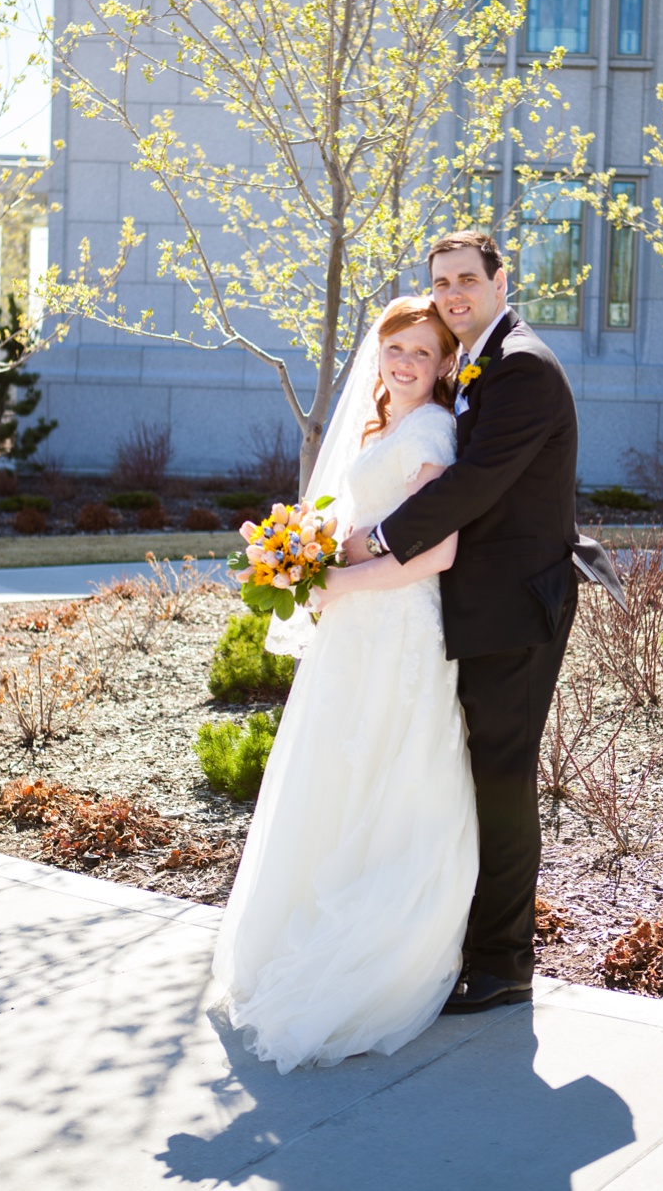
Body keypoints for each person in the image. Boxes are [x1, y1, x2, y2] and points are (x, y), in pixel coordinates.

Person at [205, 294, 477, 1073]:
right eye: (396, 349)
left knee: (388, 777)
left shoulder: (432, 431)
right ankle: (310, 922)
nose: (404, 364)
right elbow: (364, 528)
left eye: (423, 353)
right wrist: (313, 556)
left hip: (399, 630)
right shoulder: (382, 426)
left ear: (444, 364)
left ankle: (375, 954)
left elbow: (438, 553)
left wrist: (338, 584)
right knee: (338, 775)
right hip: (358, 630)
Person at [347, 228, 580, 1016]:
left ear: (499, 279)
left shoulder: (523, 369)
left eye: (466, 279)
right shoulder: (478, 363)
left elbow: (478, 481)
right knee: (475, 778)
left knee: (504, 785)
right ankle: (468, 942)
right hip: (478, 606)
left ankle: (505, 964)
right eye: (441, 280)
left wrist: (375, 539)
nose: (453, 292)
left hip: (515, 609)